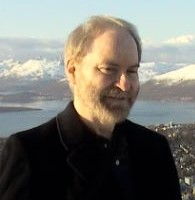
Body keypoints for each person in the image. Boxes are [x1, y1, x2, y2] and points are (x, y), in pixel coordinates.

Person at [0, 15, 182, 200]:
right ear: (72, 71)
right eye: (108, 69)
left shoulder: (153, 148)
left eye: (132, 71)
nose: (125, 84)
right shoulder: (31, 154)